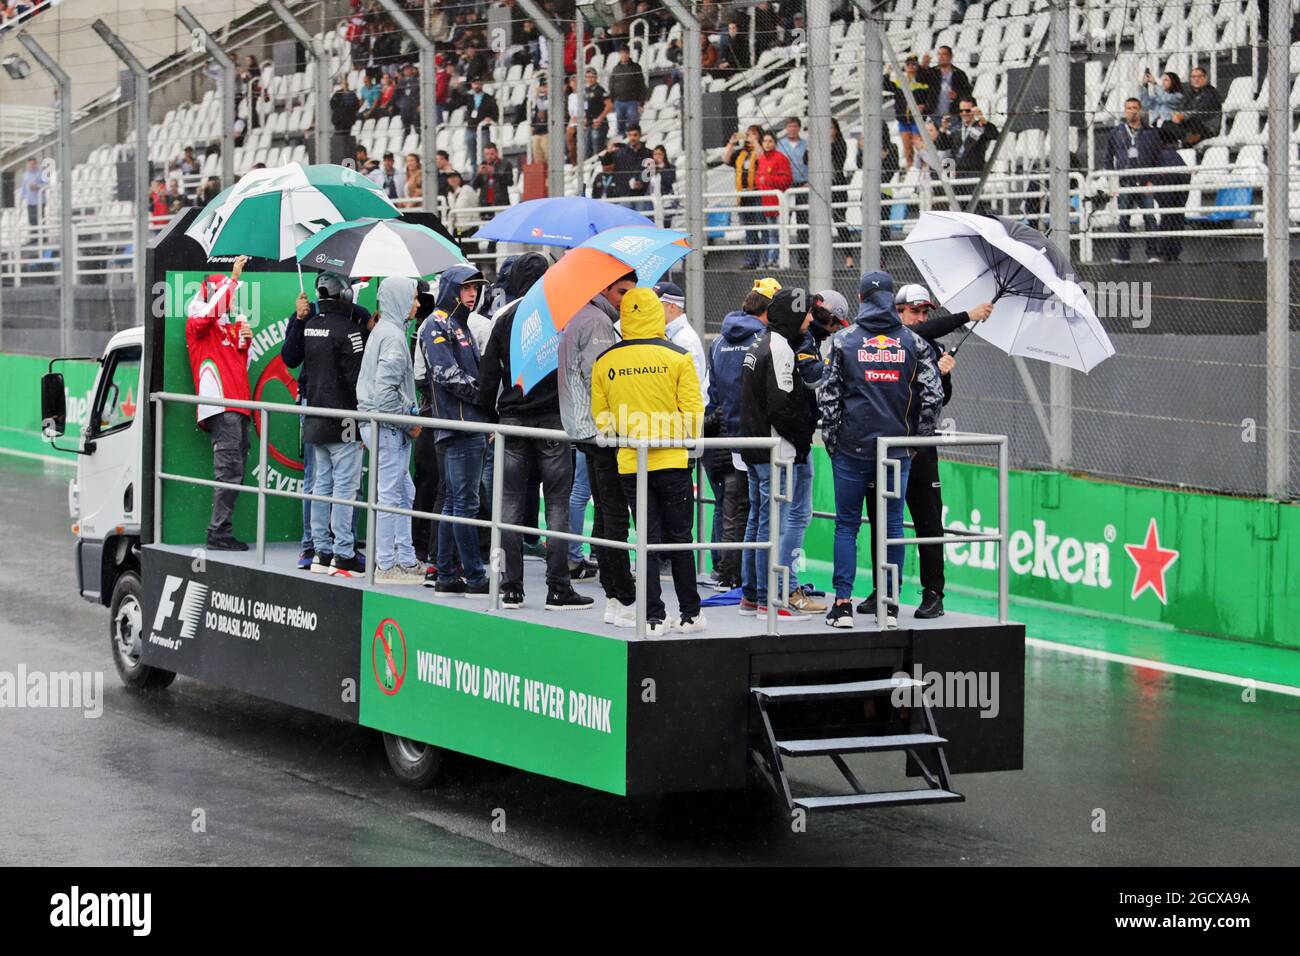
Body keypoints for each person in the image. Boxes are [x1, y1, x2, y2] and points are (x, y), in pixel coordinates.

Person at [819, 272, 944, 629]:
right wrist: (914, 441)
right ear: (892, 300)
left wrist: (832, 441)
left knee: (846, 526)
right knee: (891, 527)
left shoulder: (843, 340)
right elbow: (933, 396)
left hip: (851, 449)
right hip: (895, 451)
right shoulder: (913, 342)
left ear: (859, 300)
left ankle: (843, 605)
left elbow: (828, 397)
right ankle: (889, 605)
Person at [477, 252, 593, 612]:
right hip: (554, 425)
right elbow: (579, 372)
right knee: (557, 504)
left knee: (509, 505)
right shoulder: (565, 318)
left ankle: (511, 587)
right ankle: (559, 587)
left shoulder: (506, 318)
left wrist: (488, 422)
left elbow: (487, 379)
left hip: (511, 422)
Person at [591, 288, 706, 635]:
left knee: (647, 540)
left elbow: (603, 421)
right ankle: (690, 614)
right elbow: (694, 415)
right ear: (658, 312)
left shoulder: (605, 361)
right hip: (672, 460)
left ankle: (653, 616)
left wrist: (631, 432)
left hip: (630, 463)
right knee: (680, 538)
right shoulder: (679, 357)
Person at [887, 284, 991, 618]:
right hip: (889, 443)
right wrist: (968, 315)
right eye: (913, 310)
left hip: (923, 446)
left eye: (924, 312)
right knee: (883, 520)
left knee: (929, 521)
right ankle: (884, 591)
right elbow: (913, 333)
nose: (919, 318)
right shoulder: (889, 338)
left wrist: (942, 376)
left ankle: (934, 594)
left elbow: (941, 400)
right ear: (898, 312)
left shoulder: (936, 347)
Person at [558, 272, 638, 623]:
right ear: (603, 288)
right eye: (621, 292)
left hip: (589, 429)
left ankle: (615, 593)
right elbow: (602, 380)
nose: (625, 299)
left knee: (607, 514)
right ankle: (620, 595)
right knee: (613, 517)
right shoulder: (597, 322)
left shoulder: (589, 317)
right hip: (599, 431)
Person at [280, 271, 373, 571]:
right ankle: (342, 551)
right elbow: (356, 380)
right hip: (343, 416)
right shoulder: (346, 329)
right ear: (345, 294)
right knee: (345, 488)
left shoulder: (313, 325)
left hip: (316, 412)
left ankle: (321, 550)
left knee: (322, 484)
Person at [739, 289, 819, 620]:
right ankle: (769, 600)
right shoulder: (780, 347)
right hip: (774, 451)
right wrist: (803, 438)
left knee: (759, 522)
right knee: (774, 526)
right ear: (792, 315)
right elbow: (780, 406)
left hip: (754, 448)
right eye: (807, 314)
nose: (811, 319)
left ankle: (752, 596)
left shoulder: (759, 342)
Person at [419, 265, 492, 597]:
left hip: (464, 424)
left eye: (475, 288)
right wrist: (485, 395)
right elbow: (444, 373)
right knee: (464, 504)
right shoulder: (436, 324)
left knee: (453, 502)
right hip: (459, 426)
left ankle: (447, 573)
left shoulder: (457, 324)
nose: (473, 293)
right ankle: (474, 576)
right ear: (450, 289)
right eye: (466, 288)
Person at [706, 278, 776, 595]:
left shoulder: (719, 341)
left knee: (732, 507)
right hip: (756, 436)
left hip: (725, 433)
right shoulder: (765, 340)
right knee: (753, 510)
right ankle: (746, 581)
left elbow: (714, 393)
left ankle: (727, 573)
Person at [356, 276, 426, 583]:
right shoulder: (394, 338)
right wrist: (409, 422)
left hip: (379, 425)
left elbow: (385, 389)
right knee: (390, 495)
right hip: (386, 427)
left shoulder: (386, 331)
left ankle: (405, 559)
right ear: (399, 300)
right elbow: (385, 395)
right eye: (413, 298)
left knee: (403, 492)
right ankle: (386, 564)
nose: (418, 304)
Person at [184, 256, 252, 551]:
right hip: (221, 408)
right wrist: (233, 278)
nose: (231, 298)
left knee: (236, 471)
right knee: (228, 472)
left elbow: (240, 368)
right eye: (225, 292)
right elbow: (211, 312)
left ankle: (221, 530)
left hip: (239, 407)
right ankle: (217, 533)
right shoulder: (197, 322)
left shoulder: (227, 327)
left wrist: (245, 344)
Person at [1104, 98, 1164, 263]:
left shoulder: (1150, 133)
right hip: (1125, 183)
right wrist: (1112, 183)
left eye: (1135, 108)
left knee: (1150, 218)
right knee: (1123, 219)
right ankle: (1123, 255)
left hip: (1145, 182)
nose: (1132, 111)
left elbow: (1158, 159)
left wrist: (1153, 180)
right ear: (1124, 111)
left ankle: (1152, 254)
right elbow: (1108, 159)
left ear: (1140, 110)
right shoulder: (1116, 133)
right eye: (1129, 108)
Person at [726, 125, 765, 269]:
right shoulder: (741, 153)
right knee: (749, 229)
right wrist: (732, 142)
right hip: (743, 195)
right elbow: (726, 159)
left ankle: (765, 260)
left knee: (763, 227)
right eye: (748, 134)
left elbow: (763, 158)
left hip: (758, 193)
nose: (749, 136)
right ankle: (751, 260)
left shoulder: (762, 149)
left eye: (753, 134)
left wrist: (755, 142)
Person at [889, 55, 935, 171]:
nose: (910, 66)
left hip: (917, 120)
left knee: (919, 147)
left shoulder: (923, 80)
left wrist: (924, 107)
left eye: (913, 64)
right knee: (907, 149)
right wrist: (887, 72)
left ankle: (923, 170)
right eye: (908, 64)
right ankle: (911, 172)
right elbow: (886, 85)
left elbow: (930, 96)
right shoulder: (900, 81)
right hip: (903, 120)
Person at [755, 131, 792, 268]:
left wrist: (768, 180)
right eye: (765, 141)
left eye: (770, 141)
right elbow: (758, 179)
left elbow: (786, 180)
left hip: (778, 202)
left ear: (775, 143)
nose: (767, 144)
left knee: (778, 232)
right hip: (766, 202)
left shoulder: (780, 158)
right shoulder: (762, 159)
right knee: (770, 232)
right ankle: (770, 260)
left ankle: (775, 260)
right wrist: (762, 181)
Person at [1169, 65, 1222, 147]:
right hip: (1189, 125)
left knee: (1193, 124)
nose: (1196, 79)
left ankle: (1182, 143)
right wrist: (1177, 115)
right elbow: (1181, 108)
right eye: (1193, 77)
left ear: (1206, 78)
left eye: (1199, 76)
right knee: (1166, 124)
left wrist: (1183, 116)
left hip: (1206, 127)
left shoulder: (1211, 93)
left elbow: (1201, 112)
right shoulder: (1189, 94)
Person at [919, 46, 972, 120]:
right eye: (939, 54)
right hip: (932, 115)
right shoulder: (932, 72)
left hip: (953, 116)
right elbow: (919, 81)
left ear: (951, 56)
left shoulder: (959, 74)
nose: (941, 57)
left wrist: (957, 96)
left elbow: (968, 93)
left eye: (944, 54)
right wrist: (923, 66)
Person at [607, 45, 647, 136]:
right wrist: (612, 99)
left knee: (633, 123)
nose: (624, 55)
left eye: (626, 53)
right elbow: (611, 84)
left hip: (632, 101)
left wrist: (641, 103)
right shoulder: (616, 68)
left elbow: (641, 85)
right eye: (622, 53)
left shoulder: (636, 67)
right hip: (619, 101)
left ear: (629, 54)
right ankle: (622, 139)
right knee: (620, 124)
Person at [460, 76, 498, 165]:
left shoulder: (488, 98)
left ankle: (486, 174)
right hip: (471, 128)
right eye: (474, 84)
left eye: (478, 83)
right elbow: (458, 102)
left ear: (482, 84)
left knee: (485, 154)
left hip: (483, 129)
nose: (477, 86)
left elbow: (495, 113)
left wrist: (490, 118)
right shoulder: (468, 97)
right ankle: (475, 176)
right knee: (472, 156)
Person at [582, 67, 613, 156]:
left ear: (596, 77)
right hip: (588, 123)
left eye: (592, 77)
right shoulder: (586, 91)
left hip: (599, 124)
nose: (590, 79)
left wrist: (600, 118)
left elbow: (609, 105)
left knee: (597, 150)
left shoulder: (600, 90)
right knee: (587, 150)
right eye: (588, 77)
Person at [471, 142, 513, 207]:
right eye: (486, 154)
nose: (489, 157)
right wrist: (478, 174)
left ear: (497, 153)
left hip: (500, 202)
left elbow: (510, 182)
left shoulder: (505, 164)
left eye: (492, 154)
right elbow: (474, 186)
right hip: (485, 204)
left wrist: (494, 173)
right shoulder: (482, 165)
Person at [445, 169, 480, 237]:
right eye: (450, 177)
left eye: (455, 177)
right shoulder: (449, 194)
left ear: (459, 178)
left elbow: (476, 202)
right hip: (458, 228)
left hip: (470, 226)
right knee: (459, 243)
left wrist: (475, 220)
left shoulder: (467, 189)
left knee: (471, 246)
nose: (452, 179)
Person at [397, 62, 421, 137]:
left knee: (417, 127)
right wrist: (400, 104)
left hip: (415, 107)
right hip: (405, 108)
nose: (407, 71)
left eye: (408, 69)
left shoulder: (417, 81)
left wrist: (420, 104)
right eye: (405, 69)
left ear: (412, 69)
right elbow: (397, 95)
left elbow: (421, 93)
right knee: (406, 129)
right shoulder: (401, 82)